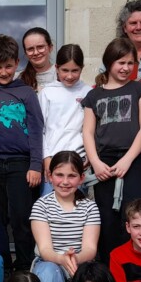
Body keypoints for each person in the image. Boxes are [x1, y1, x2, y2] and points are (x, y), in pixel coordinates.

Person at [82, 38, 141, 261]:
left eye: (130, 63)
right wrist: (95, 162)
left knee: (135, 216)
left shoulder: (139, 89)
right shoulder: (94, 95)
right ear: (109, 63)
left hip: (134, 161)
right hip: (104, 163)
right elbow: (87, 132)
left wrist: (128, 159)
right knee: (107, 218)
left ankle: (134, 267)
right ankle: (108, 269)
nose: (126, 68)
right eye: (121, 62)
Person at [0, 34, 44, 271]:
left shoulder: (26, 93)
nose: (4, 72)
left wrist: (35, 165)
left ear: (17, 63)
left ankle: (25, 265)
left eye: (8, 66)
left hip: (20, 164)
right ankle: (3, 265)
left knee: (21, 216)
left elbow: (36, 130)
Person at [30, 150, 100, 282]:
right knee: (49, 273)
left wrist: (74, 259)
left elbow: (90, 248)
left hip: (81, 261)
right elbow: (45, 249)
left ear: (81, 178)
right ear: (49, 176)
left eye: (72, 176)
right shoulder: (41, 206)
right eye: (59, 175)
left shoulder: (90, 207)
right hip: (50, 261)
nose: (65, 181)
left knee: (90, 275)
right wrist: (62, 259)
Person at [38, 44, 92, 195]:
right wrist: (46, 158)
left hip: (78, 161)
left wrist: (89, 154)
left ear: (82, 68)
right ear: (56, 68)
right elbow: (40, 130)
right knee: (50, 205)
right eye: (65, 70)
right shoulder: (47, 93)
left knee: (76, 206)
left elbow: (91, 129)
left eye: (75, 70)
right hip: (52, 162)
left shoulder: (89, 92)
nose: (69, 76)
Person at [95, 0, 141, 87]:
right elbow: (102, 85)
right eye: (133, 23)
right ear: (125, 28)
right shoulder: (114, 53)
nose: (138, 27)